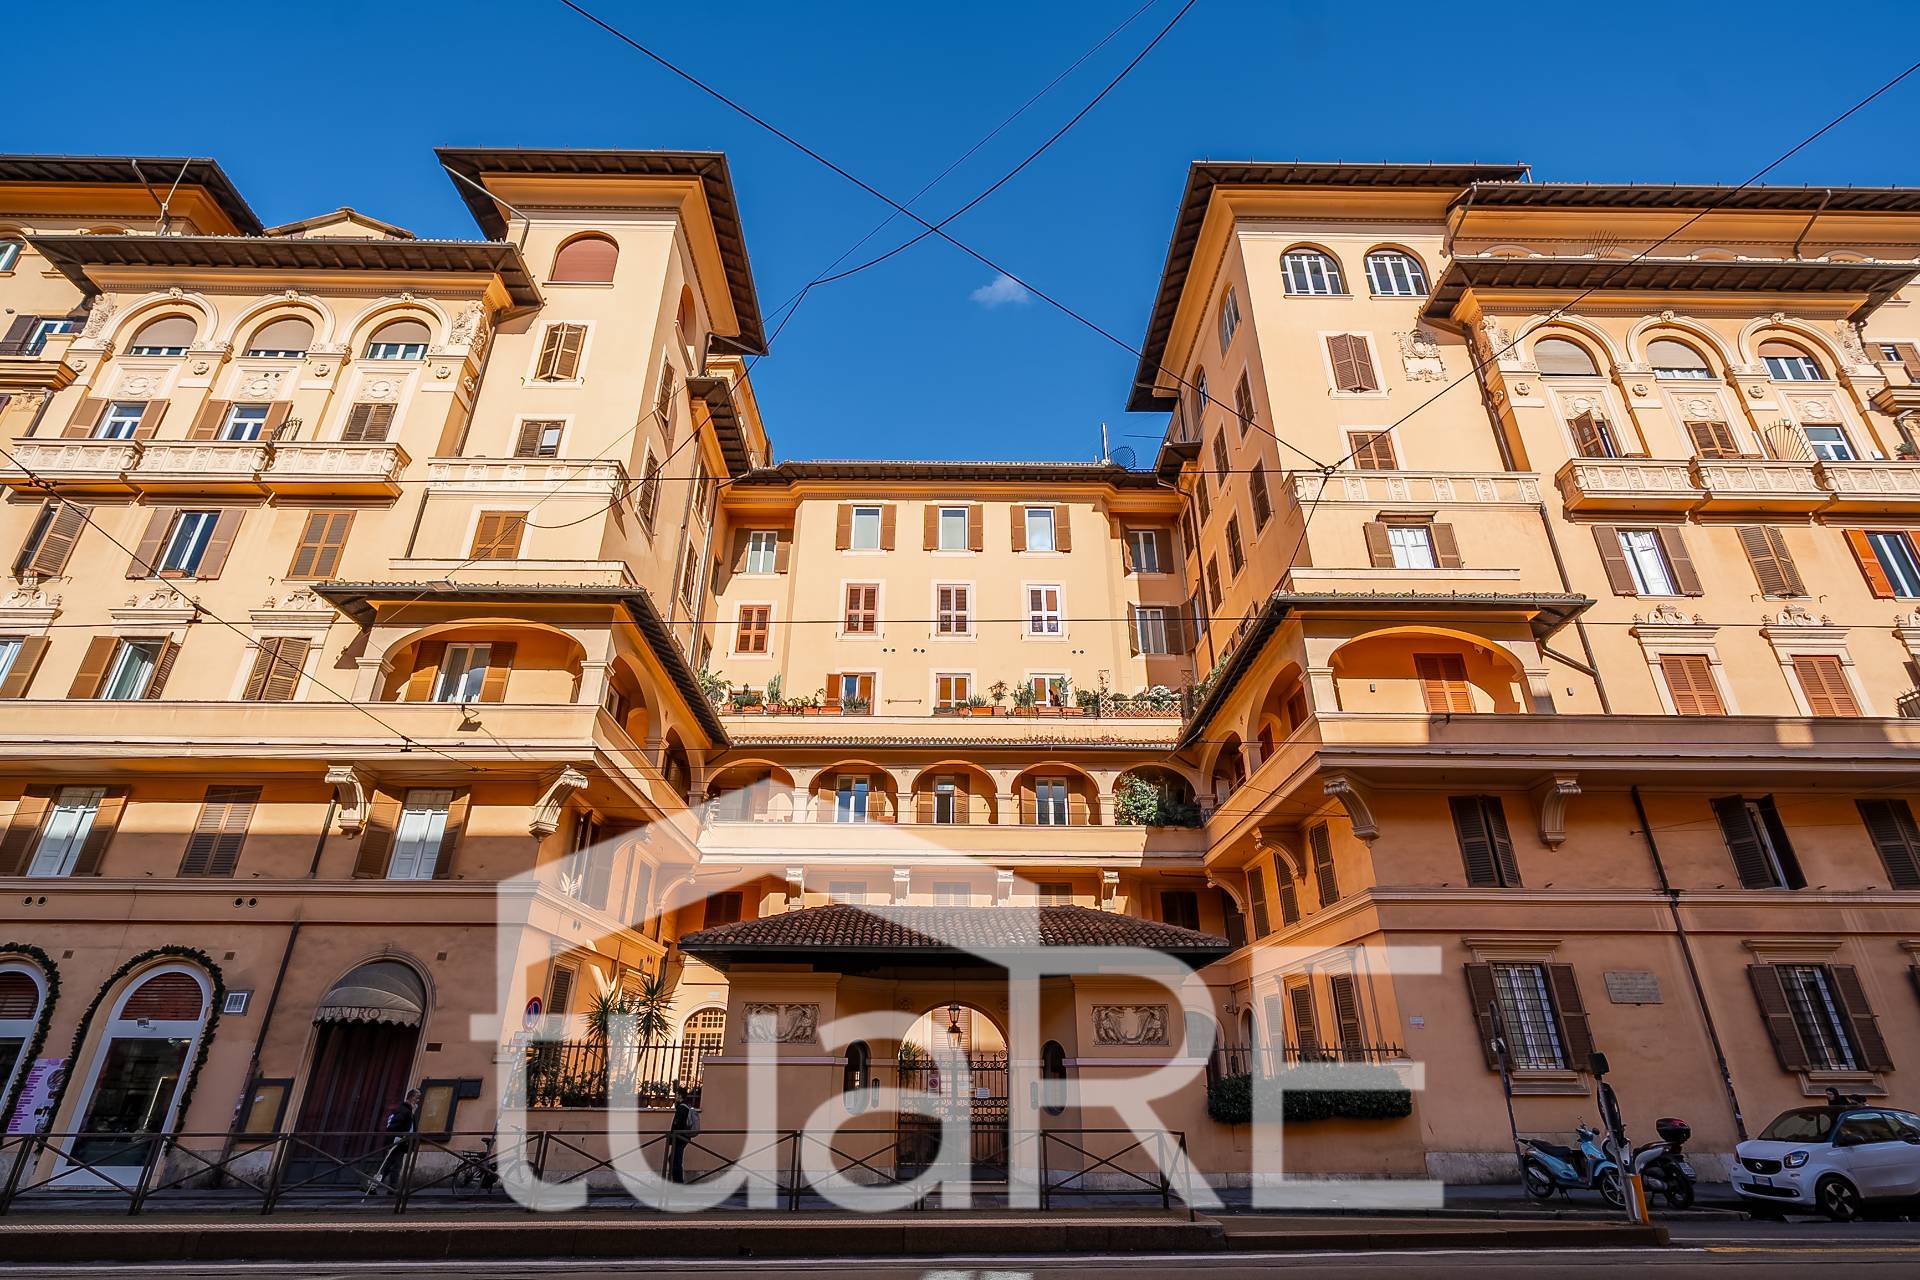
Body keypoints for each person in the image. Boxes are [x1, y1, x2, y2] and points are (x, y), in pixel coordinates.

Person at [368, 1087, 421, 1195]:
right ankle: (391, 1188)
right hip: (397, 1143)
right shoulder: (403, 1110)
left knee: (388, 1166)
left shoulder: (408, 1111)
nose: (418, 1101)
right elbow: (393, 1126)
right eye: (417, 1098)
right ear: (412, 1098)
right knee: (395, 1166)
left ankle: (374, 1186)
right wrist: (397, 1138)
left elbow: (408, 1127)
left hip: (400, 1143)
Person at [666, 1086, 700, 1184]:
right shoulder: (685, 1106)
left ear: (680, 1095)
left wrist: (672, 1137)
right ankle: (677, 1182)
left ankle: (678, 1183)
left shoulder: (682, 1108)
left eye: (676, 1094)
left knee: (675, 1160)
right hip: (683, 1137)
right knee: (673, 1159)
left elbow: (677, 1124)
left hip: (679, 1138)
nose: (675, 1096)